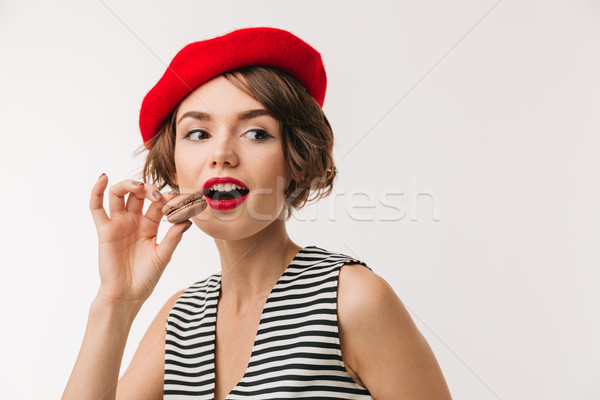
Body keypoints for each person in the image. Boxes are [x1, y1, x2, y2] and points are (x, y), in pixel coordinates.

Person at [62, 27, 452, 400]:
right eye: (198, 133)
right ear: (173, 168)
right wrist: (116, 302)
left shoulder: (351, 300)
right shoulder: (179, 321)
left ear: (295, 161)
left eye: (256, 133)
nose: (222, 154)